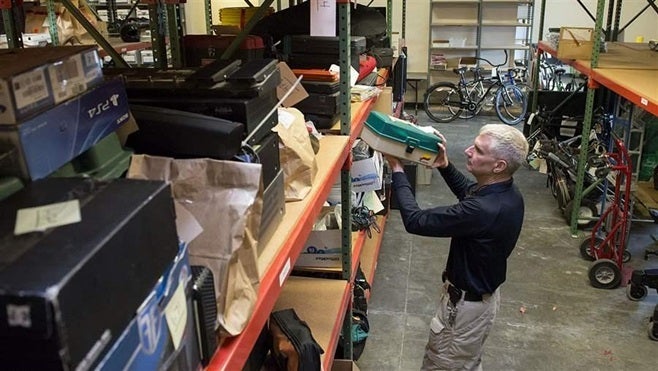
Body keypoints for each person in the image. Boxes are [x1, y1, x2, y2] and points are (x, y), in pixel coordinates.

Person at [386, 124, 529, 371]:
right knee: (465, 363)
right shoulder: (506, 193)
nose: (467, 151)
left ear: (499, 166)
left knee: (444, 363)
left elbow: (415, 221)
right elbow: (469, 194)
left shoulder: (483, 210)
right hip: (480, 305)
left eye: (478, 150)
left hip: (463, 311)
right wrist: (444, 166)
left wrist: (398, 170)